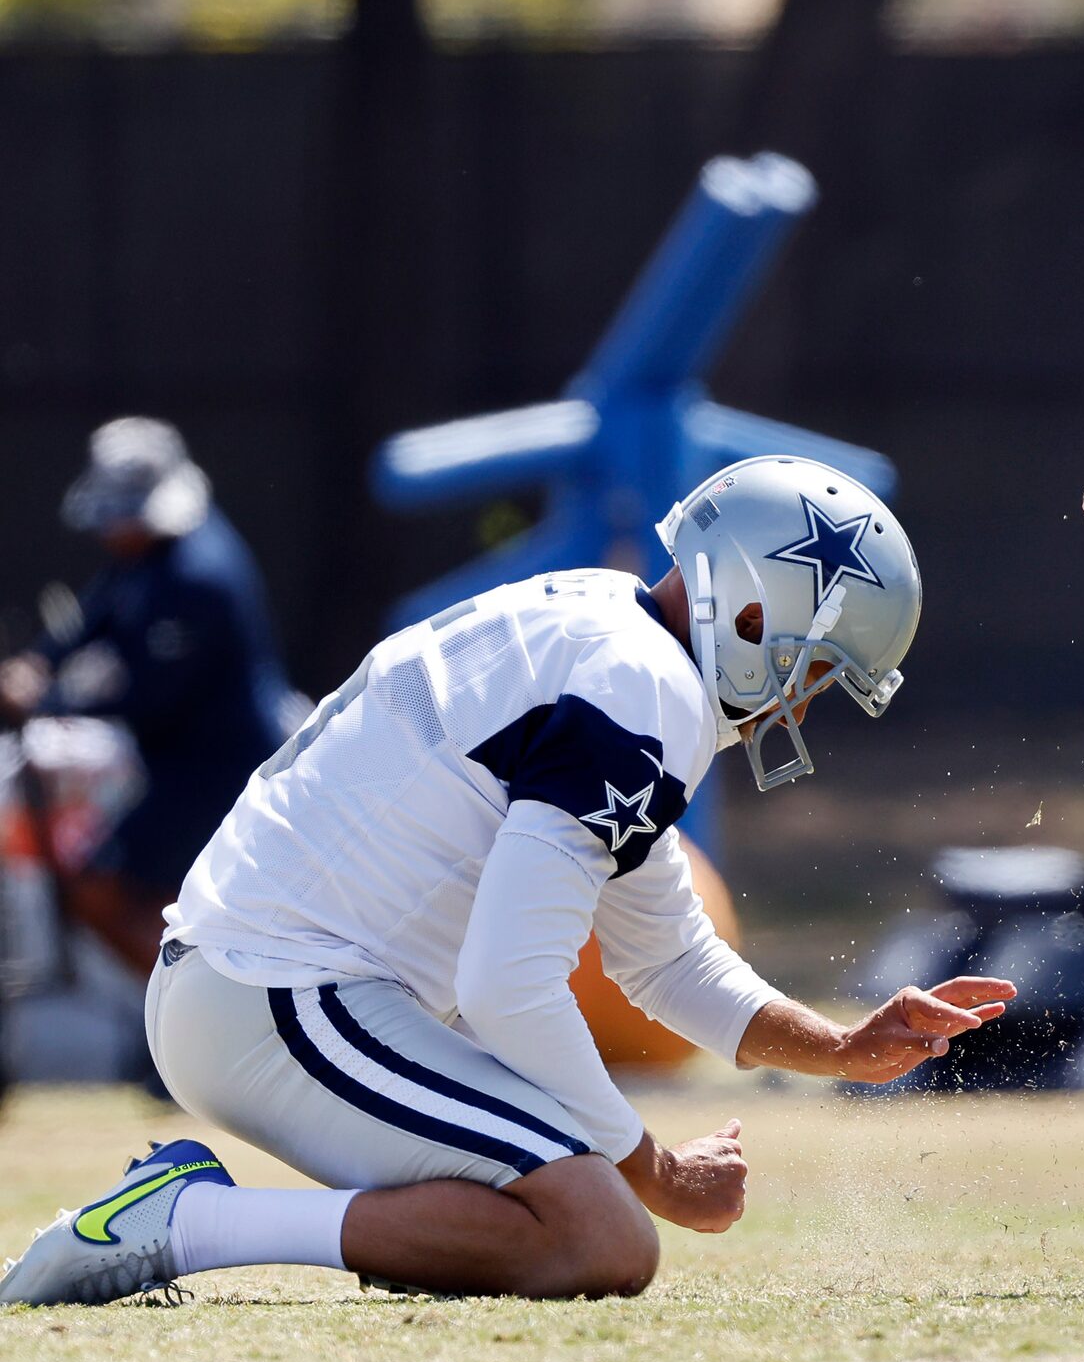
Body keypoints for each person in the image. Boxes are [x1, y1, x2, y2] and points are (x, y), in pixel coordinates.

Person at [0, 455, 1015, 1306]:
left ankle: (183, 1214)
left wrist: (838, 1048)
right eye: (817, 666)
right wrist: (653, 1169)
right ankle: (184, 1222)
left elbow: (662, 956)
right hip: (281, 991)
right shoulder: (640, 686)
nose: (803, 698)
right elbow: (509, 985)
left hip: (271, 983)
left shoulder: (619, 640)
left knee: (581, 1226)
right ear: (759, 611)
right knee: (601, 1241)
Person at [0, 420, 295, 980]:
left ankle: (193, 1011)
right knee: (140, 897)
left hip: (221, 774)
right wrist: (39, 661)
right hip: (176, 771)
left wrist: (48, 701)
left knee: (98, 885)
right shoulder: (146, 558)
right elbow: (97, 612)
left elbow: (148, 697)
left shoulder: (198, 575)